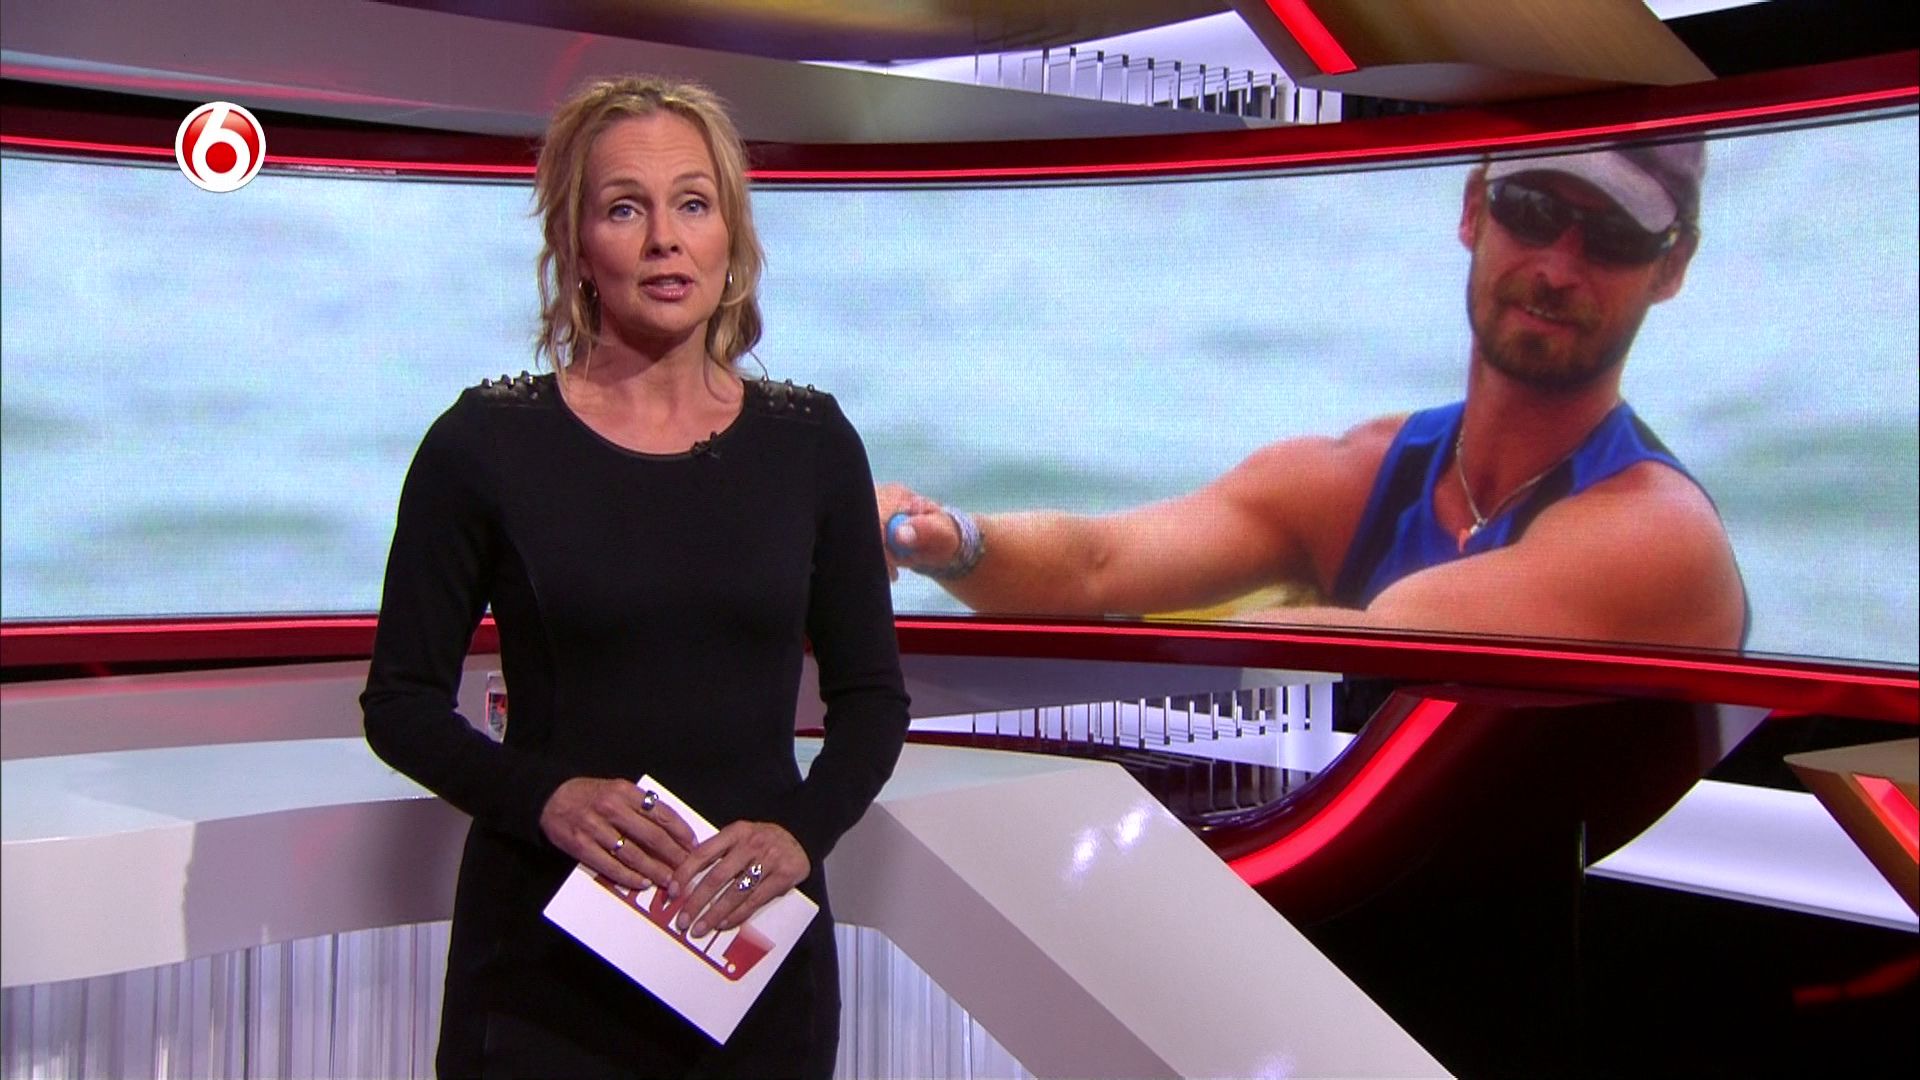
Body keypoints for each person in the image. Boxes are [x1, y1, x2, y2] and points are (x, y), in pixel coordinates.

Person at [361, 76, 909, 1078]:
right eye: (625, 208)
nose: (664, 240)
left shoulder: (812, 444)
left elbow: (872, 700)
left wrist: (800, 834)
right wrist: (546, 798)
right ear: (576, 245)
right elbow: (400, 703)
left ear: (731, 236)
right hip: (541, 963)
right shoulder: (484, 443)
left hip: (748, 953)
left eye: (692, 204)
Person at [881, 141, 1747, 652]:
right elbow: (1096, 565)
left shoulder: (1660, 541)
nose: (1557, 268)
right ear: (1474, 210)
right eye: (1530, 208)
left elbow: (1385, 636)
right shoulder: (1358, 476)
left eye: (1612, 237)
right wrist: (939, 538)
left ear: (1670, 266)